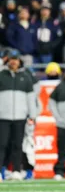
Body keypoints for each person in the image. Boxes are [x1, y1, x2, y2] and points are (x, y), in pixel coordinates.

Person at [0, 51, 38, 181]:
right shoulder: (1, 76)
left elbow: (31, 98)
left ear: (19, 61)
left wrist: (32, 115)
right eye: (11, 59)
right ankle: (0, 171)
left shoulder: (25, 77)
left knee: (18, 144)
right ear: (7, 60)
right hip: (3, 117)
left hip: (20, 117)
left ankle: (16, 170)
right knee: (2, 144)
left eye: (15, 59)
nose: (13, 62)